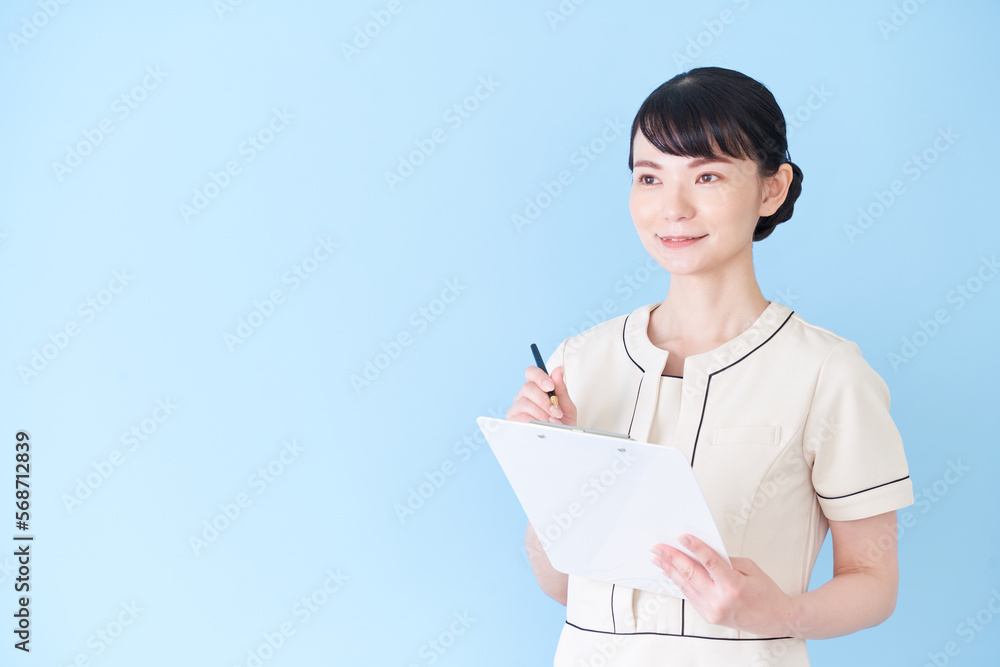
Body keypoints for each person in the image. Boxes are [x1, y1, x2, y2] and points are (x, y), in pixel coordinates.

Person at [505, 67, 913, 666]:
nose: (672, 208)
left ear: (772, 189)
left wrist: (780, 614)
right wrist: (550, 466)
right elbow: (562, 585)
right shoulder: (579, 363)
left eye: (708, 175)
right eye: (650, 177)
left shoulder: (827, 374)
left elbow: (874, 582)